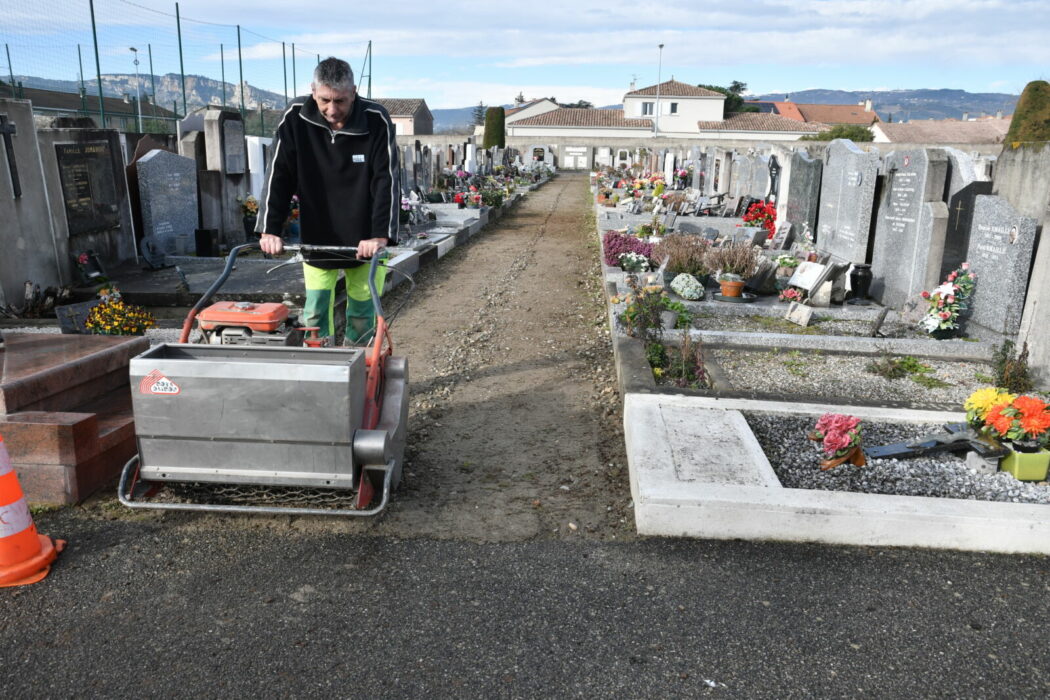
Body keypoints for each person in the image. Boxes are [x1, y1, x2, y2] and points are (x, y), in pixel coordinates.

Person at [258, 56, 399, 343]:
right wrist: (270, 228)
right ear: (313, 91)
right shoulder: (295, 117)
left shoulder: (376, 119)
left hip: (365, 238)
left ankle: (361, 370)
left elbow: (386, 181)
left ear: (354, 92)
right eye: (324, 100)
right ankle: (319, 368)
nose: (332, 110)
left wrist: (379, 235)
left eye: (341, 101)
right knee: (315, 312)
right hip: (318, 232)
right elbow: (279, 174)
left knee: (362, 311)